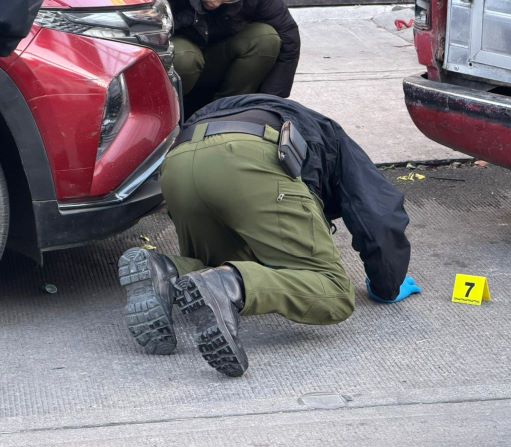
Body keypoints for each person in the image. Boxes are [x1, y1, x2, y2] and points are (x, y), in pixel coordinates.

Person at [118, 94, 422, 377]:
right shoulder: (334, 137)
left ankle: (164, 270)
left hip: (178, 165)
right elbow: (380, 215)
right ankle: (230, 286)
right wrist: (387, 284)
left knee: (219, 266)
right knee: (334, 291)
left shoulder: (256, 109)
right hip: (251, 157)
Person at [169, 0, 300, 116]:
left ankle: (227, 112)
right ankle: (172, 115)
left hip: (219, 57)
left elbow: (289, 39)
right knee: (184, 58)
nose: (215, 3)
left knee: (265, 39)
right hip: (182, 59)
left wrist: (270, 102)